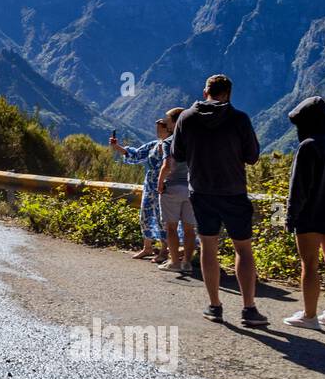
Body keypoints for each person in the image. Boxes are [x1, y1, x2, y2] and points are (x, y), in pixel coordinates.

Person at [171, 74, 269, 327]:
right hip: (233, 191)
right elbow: (252, 156)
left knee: (208, 247)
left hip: (201, 192)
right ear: (228, 94)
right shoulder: (239, 119)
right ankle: (249, 309)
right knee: (243, 249)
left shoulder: (186, 118)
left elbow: (178, 154)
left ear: (206, 93)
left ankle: (215, 306)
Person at [281, 96, 325, 330]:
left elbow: (298, 187)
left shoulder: (307, 146)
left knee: (309, 265)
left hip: (310, 215)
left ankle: (310, 316)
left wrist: (290, 217)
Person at [109, 119, 169, 263]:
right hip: (150, 186)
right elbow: (136, 155)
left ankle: (164, 250)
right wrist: (117, 147)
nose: (157, 131)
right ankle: (147, 247)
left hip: (164, 186)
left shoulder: (174, 145)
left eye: (159, 129)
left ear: (168, 129)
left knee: (163, 218)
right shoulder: (153, 145)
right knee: (145, 215)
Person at [156, 107, 197, 275]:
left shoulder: (170, 141)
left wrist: (160, 182)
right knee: (190, 229)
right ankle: (187, 262)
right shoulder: (195, 140)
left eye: (168, 121)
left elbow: (167, 165)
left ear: (175, 122)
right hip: (192, 188)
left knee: (171, 228)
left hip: (173, 187)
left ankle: (174, 262)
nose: (166, 124)